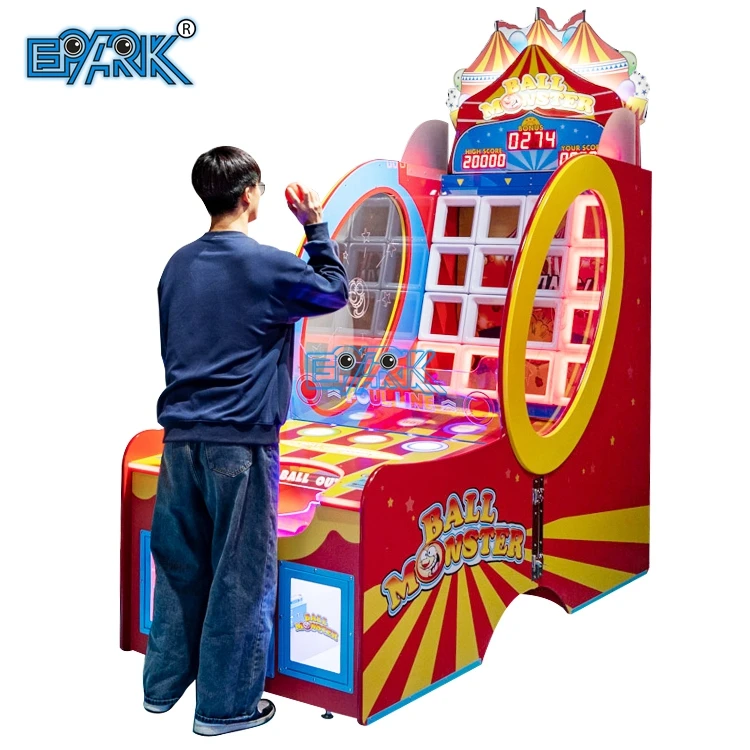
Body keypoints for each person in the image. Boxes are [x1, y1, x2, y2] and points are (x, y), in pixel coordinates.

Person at [142, 146, 349, 736]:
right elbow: (334, 291)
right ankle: (225, 708)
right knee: (240, 575)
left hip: (179, 441)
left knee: (179, 568)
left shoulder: (176, 266)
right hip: (242, 443)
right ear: (249, 195)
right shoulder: (266, 267)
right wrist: (314, 225)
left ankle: (162, 688)